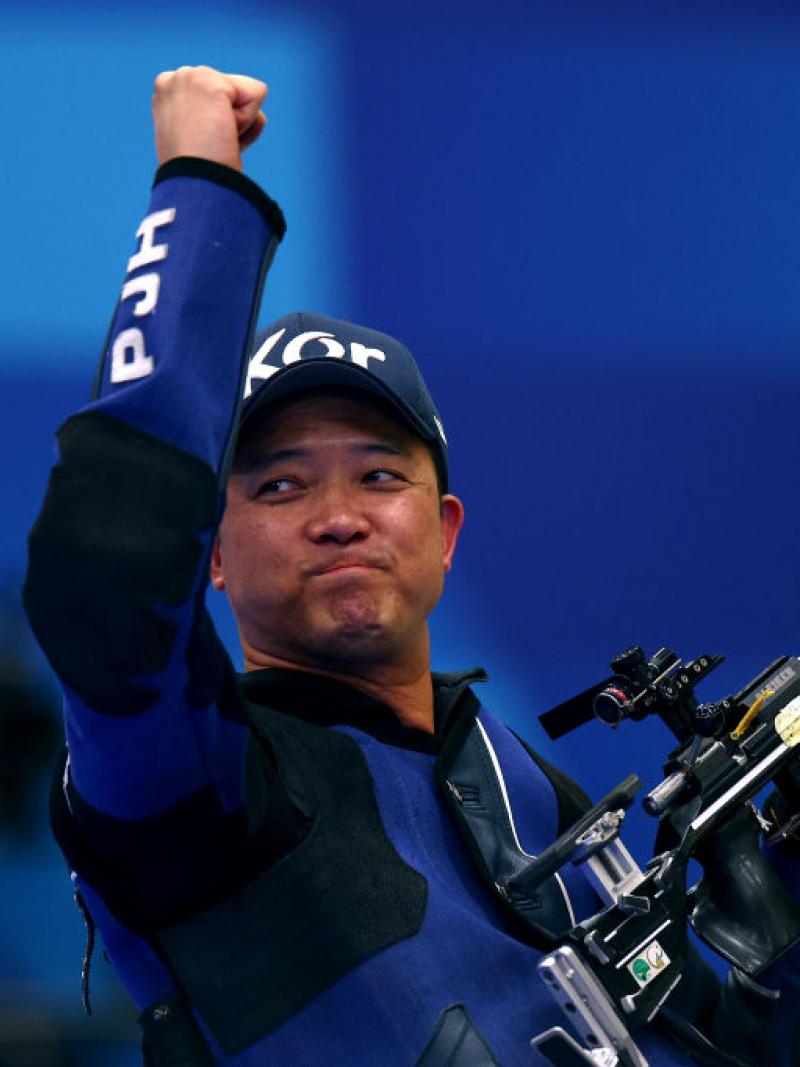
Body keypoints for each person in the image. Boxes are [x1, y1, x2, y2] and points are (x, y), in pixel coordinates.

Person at [23, 66, 800, 1066]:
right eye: (279, 485)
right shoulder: (195, 785)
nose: (339, 518)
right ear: (209, 554)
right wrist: (199, 189)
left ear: (445, 531)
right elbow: (107, 572)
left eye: (378, 474)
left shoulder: (522, 785)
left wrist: (776, 938)